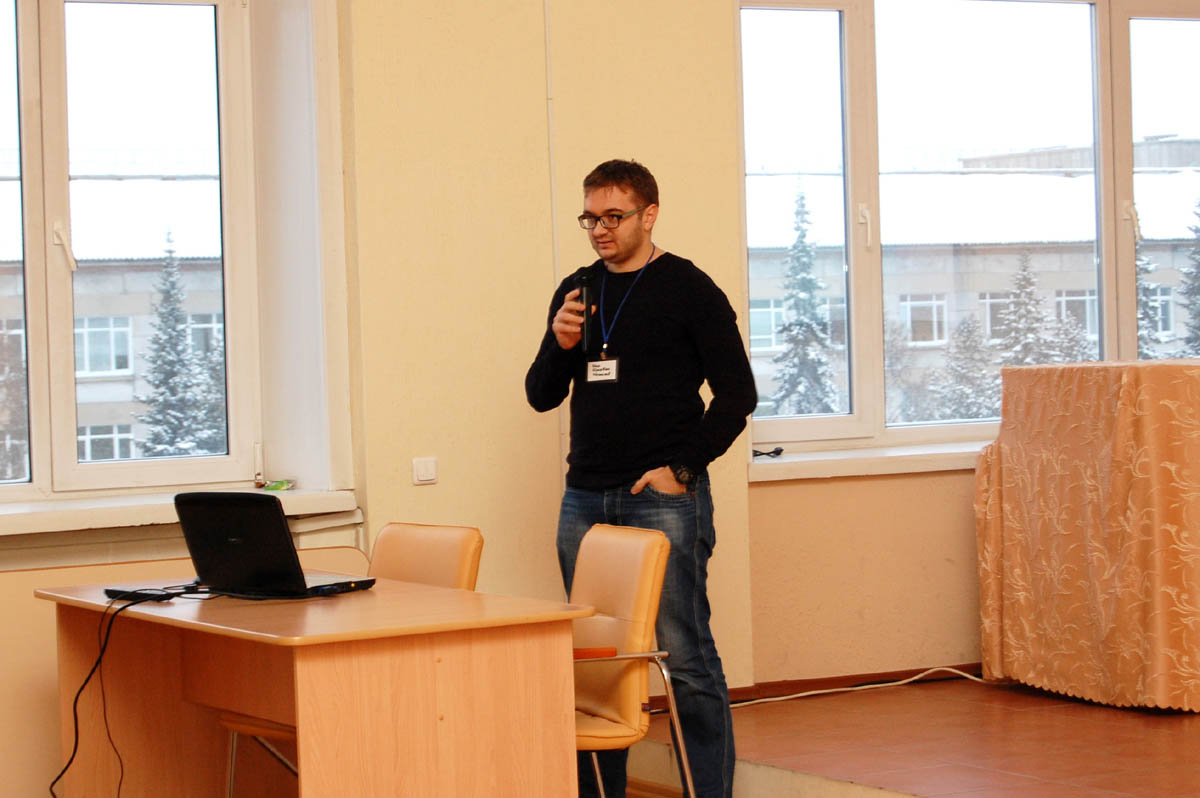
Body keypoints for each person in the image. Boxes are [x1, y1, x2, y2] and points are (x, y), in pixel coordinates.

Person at [525, 159, 757, 798]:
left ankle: (708, 792)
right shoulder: (577, 289)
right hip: (585, 499)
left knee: (684, 656)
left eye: (613, 216)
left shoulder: (689, 288)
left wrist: (681, 470)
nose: (600, 229)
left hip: (662, 500)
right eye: (590, 218)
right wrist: (559, 344)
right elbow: (541, 395)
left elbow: (737, 395)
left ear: (648, 215)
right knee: (596, 659)